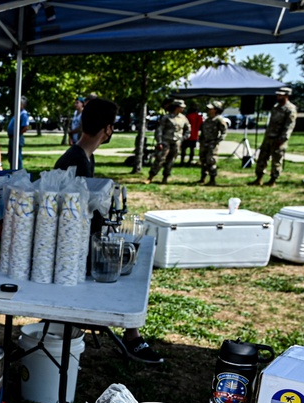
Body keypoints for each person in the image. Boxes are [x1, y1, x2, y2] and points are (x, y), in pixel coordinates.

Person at [54, 98, 164, 365]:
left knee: (132, 260)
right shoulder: (75, 161)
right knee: (129, 270)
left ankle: (131, 333)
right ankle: (131, 336)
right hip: (73, 254)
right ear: (108, 129)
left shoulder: (81, 156)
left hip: (81, 246)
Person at [250, 87, 297, 186]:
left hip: (279, 139)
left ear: (286, 96)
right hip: (268, 137)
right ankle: (259, 178)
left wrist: (282, 139)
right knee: (262, 158)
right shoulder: (276, 107)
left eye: (281, 95)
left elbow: (289, 127)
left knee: (276, 160)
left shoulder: (290, 109)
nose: (278, 96)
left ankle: (273, 180)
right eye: (278, 95)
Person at [145, 99, 190, 184]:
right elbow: (159, 130)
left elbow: (188, 129)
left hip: (176, 142)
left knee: (171, 161)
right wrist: (159, 141)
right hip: (165, 141)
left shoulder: (183, 118)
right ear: (176, 107)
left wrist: (183, 138)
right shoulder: (167, 117)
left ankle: (165, 178)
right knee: (160, 159)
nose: (183, 109)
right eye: (181, 107)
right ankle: (151, 176)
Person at [197, 101, 228, 187]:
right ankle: (202, 177)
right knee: (203, 160)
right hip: (204, 143)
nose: (208, 110)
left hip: (212, 144)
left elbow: (224, 132)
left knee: (211, 161)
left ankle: (212, 179)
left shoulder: (218, 119)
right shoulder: (208, 119)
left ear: (216, 109)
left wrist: (217, 141)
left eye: (211, 108)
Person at [11, 97, 31, 170]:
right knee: (12, 156)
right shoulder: (18, 113)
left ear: (22, 105)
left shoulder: (24, 114)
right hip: (13, 137)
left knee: (17, 157)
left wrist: (17, 134)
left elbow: (25, 127)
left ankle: (18, 172)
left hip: (17, 138)